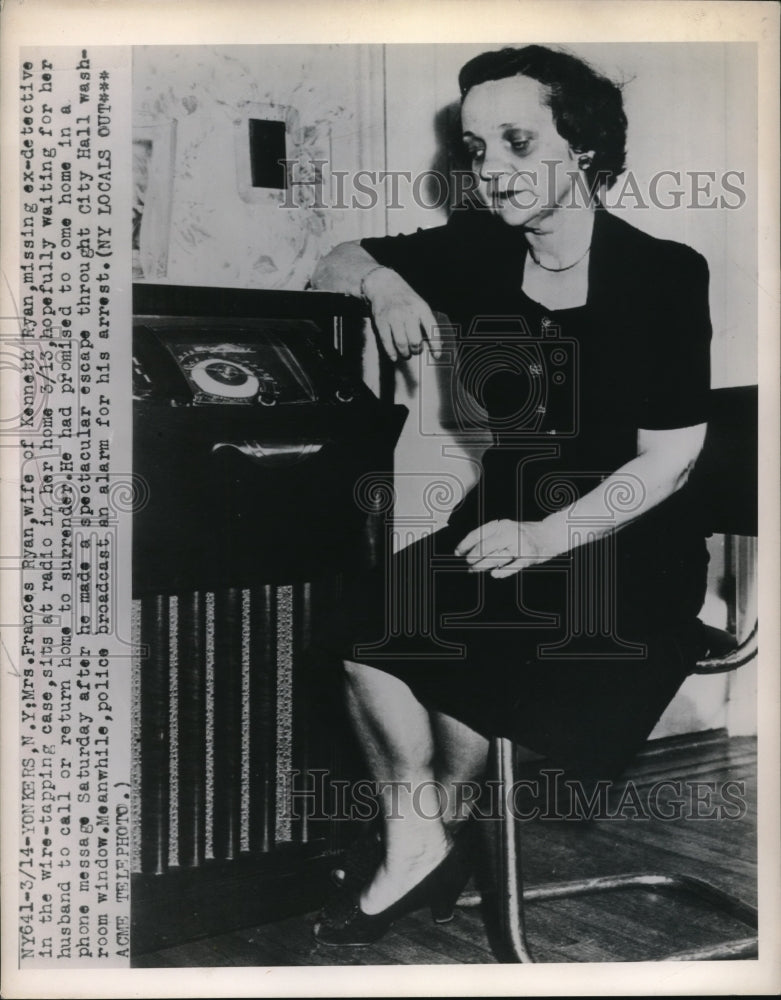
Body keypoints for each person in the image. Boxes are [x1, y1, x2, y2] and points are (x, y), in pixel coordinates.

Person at [309, 44, 712, 946]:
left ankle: (422, 850)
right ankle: (419, 839)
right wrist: (381, 282)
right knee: (359, 637)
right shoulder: (479, 254)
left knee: (478, 652)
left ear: (583, 148)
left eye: (518, 142)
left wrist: (545, 539)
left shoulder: (663, 274)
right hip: (501, 520)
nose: (493, 169)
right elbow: (332, 259)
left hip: (623, 539)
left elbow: (671, 458)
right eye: (476, 147)